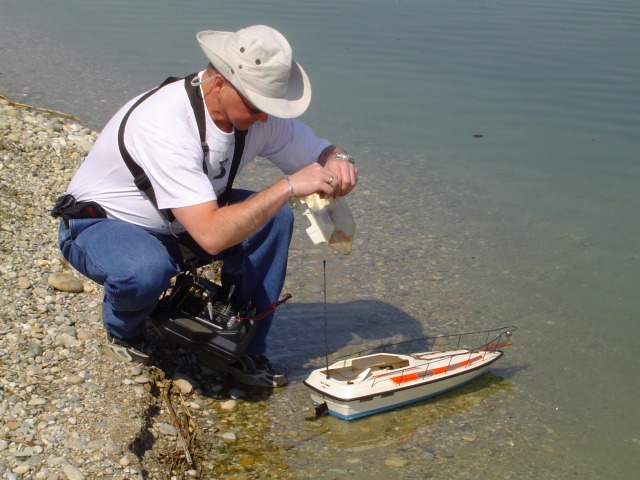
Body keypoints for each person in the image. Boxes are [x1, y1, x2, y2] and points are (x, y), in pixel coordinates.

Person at [54, 25, 358, 388]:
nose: (265, 117)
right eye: (257, 105)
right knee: (144, 270)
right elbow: (212, 236)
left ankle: (242, 346)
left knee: (274, 217)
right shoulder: (164, 123)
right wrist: (290, 185)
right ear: (218, 83)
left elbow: (319, 152)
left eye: (270, 106)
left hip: (185, 227)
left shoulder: (257, 116)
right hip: (104, 226)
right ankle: (125, 331)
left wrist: (338, 158)